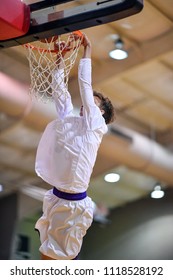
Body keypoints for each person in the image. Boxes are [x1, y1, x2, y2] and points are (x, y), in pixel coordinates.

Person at [35, 33, 116, 260]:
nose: (87, 102)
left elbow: (84, 84)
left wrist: (87, 51)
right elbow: (60, 92)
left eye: (93, 102)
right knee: (49, 259)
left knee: (51, 260)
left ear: (100, 112)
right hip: (55, 197)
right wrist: (60, 59)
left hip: (73, 205)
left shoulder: (96, 125)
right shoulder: (72, 122)